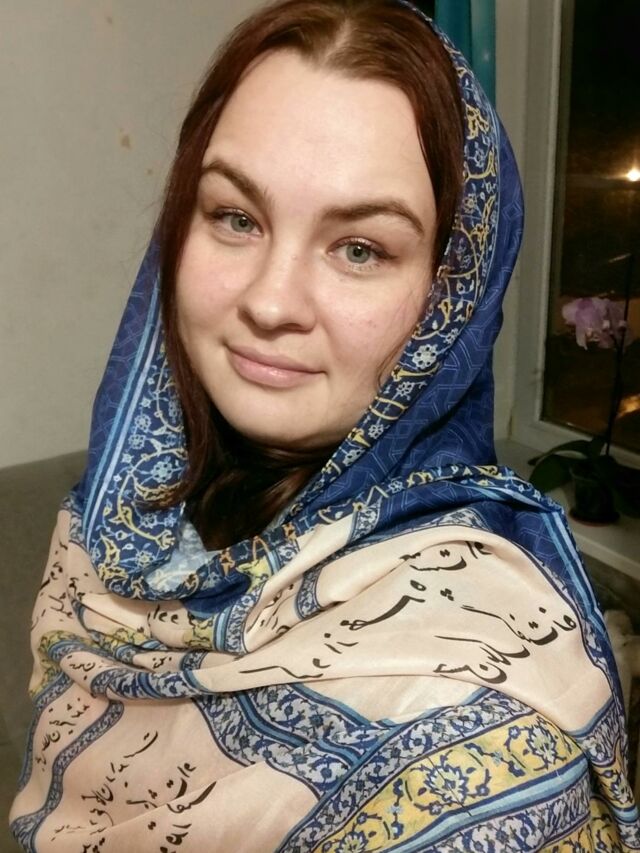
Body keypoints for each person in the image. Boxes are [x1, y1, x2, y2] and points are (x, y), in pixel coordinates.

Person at [10, 0, 640, 850]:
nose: (270, 302)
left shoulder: (485, 751)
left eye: (360, 249)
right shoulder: (117, 523)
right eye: (235, 217)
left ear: (450, 299)